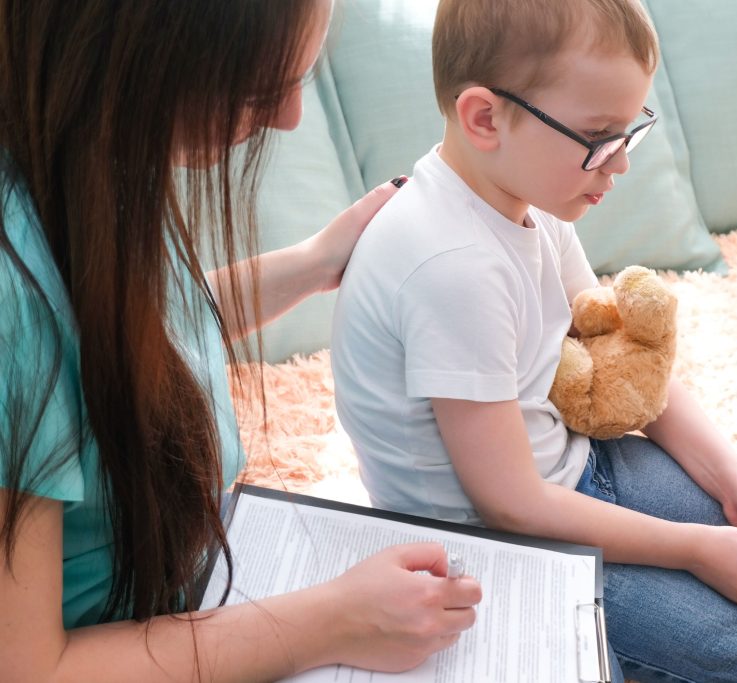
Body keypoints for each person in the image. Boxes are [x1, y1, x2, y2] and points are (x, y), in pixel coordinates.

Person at [331, 0, 737, 681]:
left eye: (628, 133)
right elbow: (511, 504)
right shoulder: (451, 267)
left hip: (577, 473)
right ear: (485, 118)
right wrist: (697, 548)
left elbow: (621, 363)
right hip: (502, 546)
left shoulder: (524, 199)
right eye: (597, 138)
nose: (619, 166)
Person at [0, 1, 482, 680]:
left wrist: (315, 261)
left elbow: (132, 333)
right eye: (258, 91)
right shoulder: (11, 298)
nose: (290, 118)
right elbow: (28, 668)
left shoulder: (91, 160)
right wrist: (336, 619)